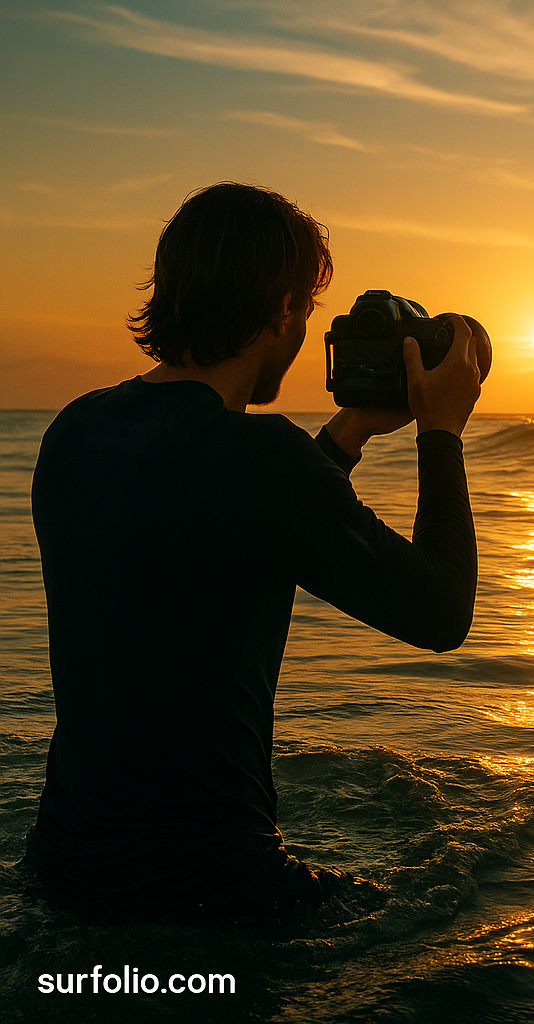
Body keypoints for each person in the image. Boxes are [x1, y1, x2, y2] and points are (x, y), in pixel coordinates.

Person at [26, 182, 484, 915]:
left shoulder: (76, 430)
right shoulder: (261, 461)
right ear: (279, 310)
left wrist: (351, 432)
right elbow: (440, 612)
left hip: (63, 873)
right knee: (469, 909)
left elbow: (219, 525)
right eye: (305, 306)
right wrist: (442, 433)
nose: (304, 326)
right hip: (214, 892)